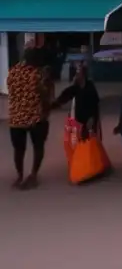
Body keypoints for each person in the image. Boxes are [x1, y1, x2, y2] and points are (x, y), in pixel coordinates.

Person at [52, 62, 104, 179]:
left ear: (83, 75)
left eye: (78, 73)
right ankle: (82, 165)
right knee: (78, 142)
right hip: (78, 121)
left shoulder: (90, 87)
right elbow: (65, 96)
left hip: (89, 120)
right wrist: (53, 105)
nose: (76, 75)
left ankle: (92, 167)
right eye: (75, 73)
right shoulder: (75, 87)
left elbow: (95, 104)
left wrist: (92, 120)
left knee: (89, 142)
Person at [7, 47, 50, 190]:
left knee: (19, 149)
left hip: (16, 118)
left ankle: (19, 176)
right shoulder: (37, 74)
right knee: (38, 146)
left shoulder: (12, 72)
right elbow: (44, 95)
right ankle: (33, 175)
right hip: (35, 118)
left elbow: (11, 91)